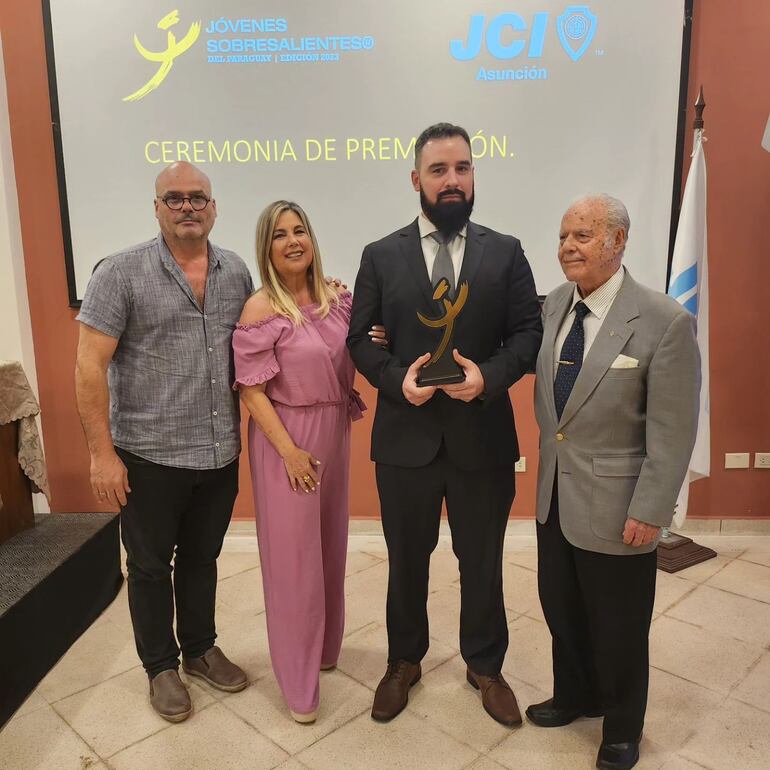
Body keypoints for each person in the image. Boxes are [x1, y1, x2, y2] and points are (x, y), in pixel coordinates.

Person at [347, 122, 543, 726]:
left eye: (462, 167)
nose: (452, 180)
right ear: (417, 180)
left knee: (481, 557)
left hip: (481, 435)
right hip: (405, 436)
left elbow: (528, 334)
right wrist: (393, 379)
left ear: (473, 175)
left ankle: (485, 664)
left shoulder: (506, 251)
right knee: (407, 557)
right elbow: (360, 339)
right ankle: (403, 661)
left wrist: (488, 377)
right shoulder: (380, 255)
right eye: (439, 170)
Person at [527, 194, 700, 770]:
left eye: (582, 235)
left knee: (620, 625)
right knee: (562, 608)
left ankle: (623, 726)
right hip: (555, 495)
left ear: (617, 241)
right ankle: (577, 694)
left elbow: (673, 432)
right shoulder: (553, 305)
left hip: (621, 502)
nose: (567, 248)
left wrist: (651, 507)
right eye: (563, 237)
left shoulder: (664, 320)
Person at [75, 162, 250, 722]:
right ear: (156, 208)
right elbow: (88, 367)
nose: (187, 207)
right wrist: (102, 455)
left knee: (202, 557)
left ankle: (199, 649)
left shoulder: (237, 272)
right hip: (148, 457)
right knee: (149, 567)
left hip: (220, 453)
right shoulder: (119, 273)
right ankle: (160, 668)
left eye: (197, 197)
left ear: (214, 207)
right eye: (174, 198)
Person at [232, 200, 367, 724]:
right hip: (285, 439)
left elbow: (359, 346)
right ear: (266, 247)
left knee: (330, 547)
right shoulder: (260, 308)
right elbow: (251, 389)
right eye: (280, 234)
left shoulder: (337, 297)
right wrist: (288, 450)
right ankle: (298, 684)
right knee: (294, 566)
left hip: (334, 431)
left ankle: (325, 650)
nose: (293, 241)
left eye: (300, 230)